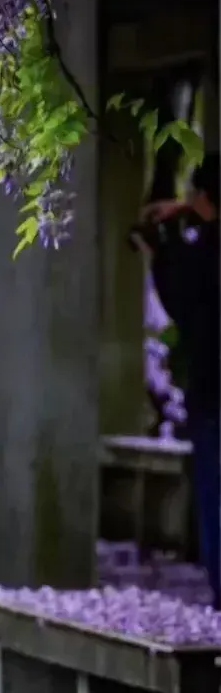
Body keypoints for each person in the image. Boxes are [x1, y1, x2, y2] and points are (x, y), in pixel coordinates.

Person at [134, 153, 220, 608]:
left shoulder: (202, 255)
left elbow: (184, 303)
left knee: (215, 497)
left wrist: (161, 249)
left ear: (204, 197)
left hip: (213, 393)